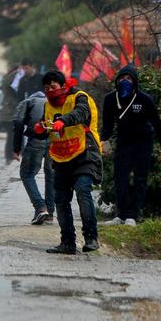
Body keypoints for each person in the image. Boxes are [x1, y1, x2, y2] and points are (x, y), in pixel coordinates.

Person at [39, 69, 103, 255]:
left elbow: (81, 114)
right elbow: (46, 125)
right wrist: (39, 129)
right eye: (46, 88)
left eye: (53, 87)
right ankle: (67, 242)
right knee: (60, 199)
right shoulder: (47, 105)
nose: (50, 91)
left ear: (63, 86)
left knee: (83, 189)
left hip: (85, 152)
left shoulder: (79, 97)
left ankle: (91, 237)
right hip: (62, 157)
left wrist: (63, 122)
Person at [100, 64, 161, 225]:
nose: (125, 81)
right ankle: (121, 214)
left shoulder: (144, 99)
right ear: (117, 80)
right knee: (120, 178)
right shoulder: (110, 99)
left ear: (135, 81)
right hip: (123, 141)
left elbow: (157, 124)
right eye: (122, 78)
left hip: (143, 142)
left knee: (139, 178)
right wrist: (101, 140)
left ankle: (133, 215)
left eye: (129, 78)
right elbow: (108, 125)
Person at [11, 87, 55, 225]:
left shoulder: (27, 102)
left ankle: (40, 207)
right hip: (54, 141)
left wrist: (16, 148)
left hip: (37, 139)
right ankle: (49, 213)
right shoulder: (54, 101)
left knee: (26, 174)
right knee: (51, 175)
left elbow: (18, 123)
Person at [1, 63, 23, 163]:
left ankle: (13, 155)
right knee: (11, 135)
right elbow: (8, 86)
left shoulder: (11, 78)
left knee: (14, 135)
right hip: (10, 113)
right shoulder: (11, 78)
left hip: (11, 112)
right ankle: (9, 156)